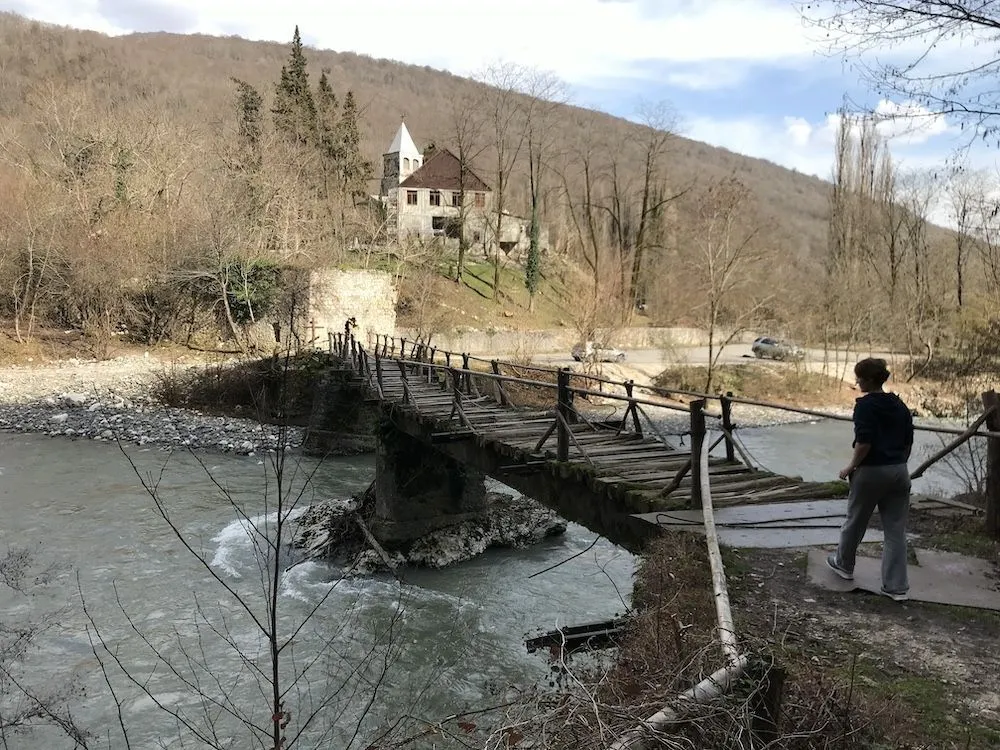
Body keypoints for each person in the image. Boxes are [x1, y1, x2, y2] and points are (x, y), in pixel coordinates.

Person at [827, 357, 914, 601]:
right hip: (898, 471)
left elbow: (864, 442)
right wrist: (898, 464)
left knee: (855, 520)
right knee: (895, 530)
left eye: (859, 378)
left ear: (868, 380)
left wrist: (850, 467)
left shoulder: (865, 406)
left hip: (871, 471)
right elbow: (907, 443)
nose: (857, 382)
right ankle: (896, 587)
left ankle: (843, 565)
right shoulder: (899, 406)